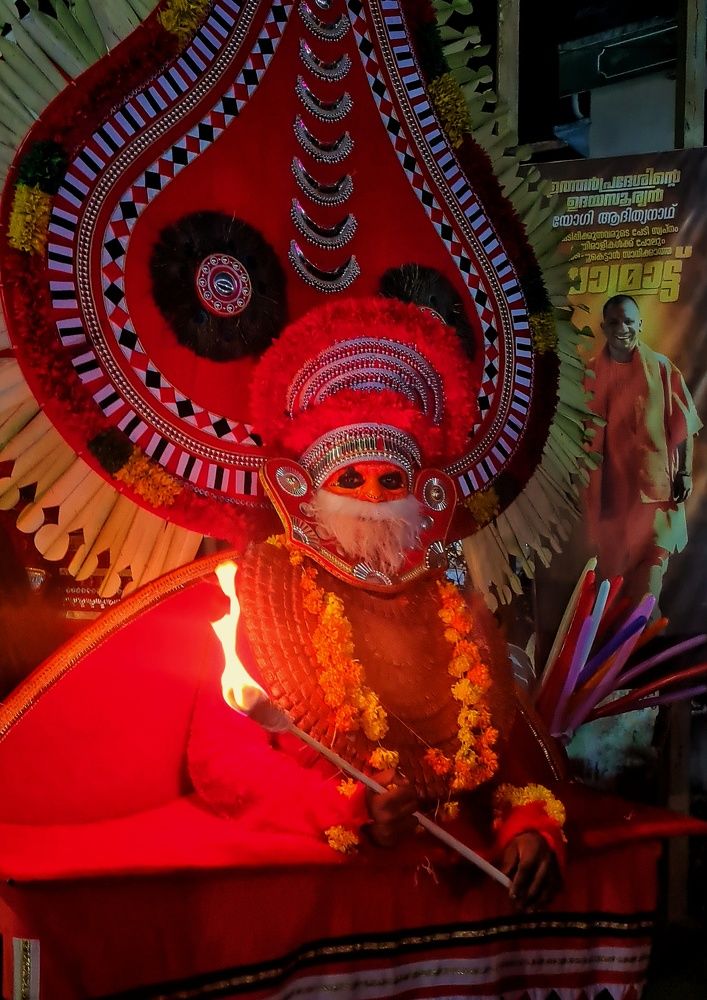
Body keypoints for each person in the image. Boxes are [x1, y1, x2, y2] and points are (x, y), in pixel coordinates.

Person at [187, 297, 566, 911]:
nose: (371, 497)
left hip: (462, 890)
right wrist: (352, 808)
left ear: (423, 492)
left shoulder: (451, 605)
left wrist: (531, 826)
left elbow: (516, 747)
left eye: (391, 480)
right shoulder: (262, 588)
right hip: (322, 888)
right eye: (349, 479)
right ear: (305, 488)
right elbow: (222, 764)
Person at [583, 294, 702, 608]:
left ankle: (645, 648)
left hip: (653, 501)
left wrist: (685, 471)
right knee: (614, 601)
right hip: (612, 507)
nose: (622, 328)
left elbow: (684, 424)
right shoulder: (590, 374)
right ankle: (639, 653)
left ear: (640, 325)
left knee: (646, 595)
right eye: (614, 322)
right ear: (603, 327)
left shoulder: (662, 368)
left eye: (629, 321)